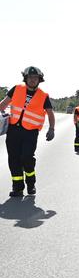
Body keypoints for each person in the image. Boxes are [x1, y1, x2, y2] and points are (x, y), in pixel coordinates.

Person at [0, 66, 55, 197]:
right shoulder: (16, 89)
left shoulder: (43, 96)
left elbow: (50, 113)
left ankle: (31, 183)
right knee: (13, 159)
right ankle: (18, 187)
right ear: (25, 78)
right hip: (13, 130)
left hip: (30, 132)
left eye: (35, 78)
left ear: (39, 79)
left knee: (26, 158)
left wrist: (51, 129)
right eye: (30, 77)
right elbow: (3, 104)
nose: (32, 80)